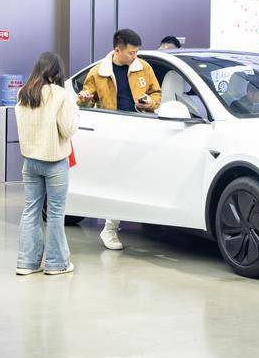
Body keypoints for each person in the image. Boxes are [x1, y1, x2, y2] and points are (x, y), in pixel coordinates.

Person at [78, 29, 162, 250]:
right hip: (112, 131)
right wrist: (84, 100)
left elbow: (156, 93)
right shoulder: (99, 72)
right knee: (116, 179)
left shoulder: (144, 68)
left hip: (141, 128)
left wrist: (150, 102)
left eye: (136, 52)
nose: (135, 56)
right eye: (131, 53)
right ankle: (110, 228)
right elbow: (86, 102)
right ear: (118, 50)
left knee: (138, 177)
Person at [14, 52, 79, 276]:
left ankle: (26, 263)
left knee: (30, 210)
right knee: (55, 213)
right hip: (55, 162)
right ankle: (56, 263)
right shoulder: (59, 94)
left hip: (30, 162)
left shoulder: (23, 92)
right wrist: (76, 109)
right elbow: (68, 129)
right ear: (56, 72)